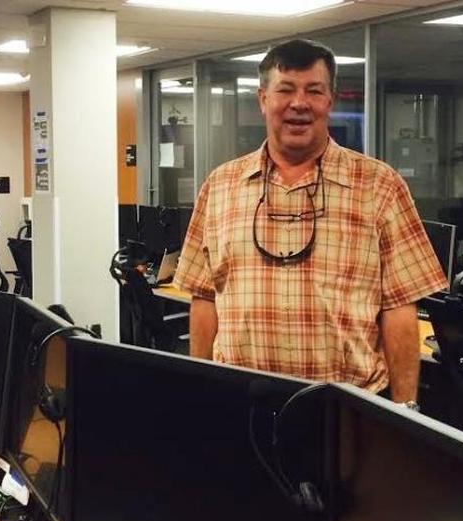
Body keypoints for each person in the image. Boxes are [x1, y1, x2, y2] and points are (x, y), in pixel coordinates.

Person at [173, 38, 447, 405]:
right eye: (285, 90)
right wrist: (200, 392)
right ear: (262, 100)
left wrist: (405, 411)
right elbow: (204, 298)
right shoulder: (220, 186)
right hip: (239, 402)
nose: (299, 104)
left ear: (329, 101)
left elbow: (399, 306)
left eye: (314, 91)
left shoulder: (379, 186)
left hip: (348, 409)